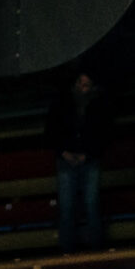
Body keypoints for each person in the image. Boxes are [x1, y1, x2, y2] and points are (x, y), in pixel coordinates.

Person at [46, 70, 109, 252]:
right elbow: (51, 131)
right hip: (68, 160)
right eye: (81, 83)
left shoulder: (98, 105)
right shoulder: (62, 103)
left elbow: (104, 135)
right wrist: (64, 152)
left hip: (88, 160)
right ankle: (68, 251)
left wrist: (87, 155)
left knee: (91, 205)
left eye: (86, 84)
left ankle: (96, 249)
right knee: (67, 207)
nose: (83, 88)